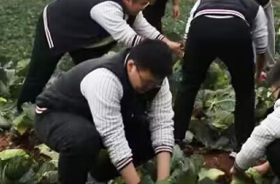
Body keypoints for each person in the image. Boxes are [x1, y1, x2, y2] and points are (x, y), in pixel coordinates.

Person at [17, 0, 183, 108]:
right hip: (56, 24)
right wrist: (158, 50)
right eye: (141, 4)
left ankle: (80, 106)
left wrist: (170, 44)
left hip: (83, 36)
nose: (143, 7)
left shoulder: (132, 10)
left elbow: (145, 29)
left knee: (90, 72)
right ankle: (22, 110)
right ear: (127, 0)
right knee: (40, 72)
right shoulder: (106, 8)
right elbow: (128, 38)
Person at [34, 40, 175, 184]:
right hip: (55, 114)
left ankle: (94, 178)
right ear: (131, 66)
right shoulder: (105, 79)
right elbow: (114, 139)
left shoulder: (156, 82)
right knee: (82, 139)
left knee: (148, 134)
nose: (150, 87)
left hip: (95, 119)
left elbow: (162, 125)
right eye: (146, 82)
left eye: (155, 84)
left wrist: (163, 180)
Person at [174, 0, 268, 152]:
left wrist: (190, 62)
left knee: (188, 86)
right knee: (244, 92)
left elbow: (187, 34)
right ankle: (243, 146)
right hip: (235, 31)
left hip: (200, 29)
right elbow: (262, 48)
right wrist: (257, 74)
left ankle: (176, 138)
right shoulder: (253, 6)